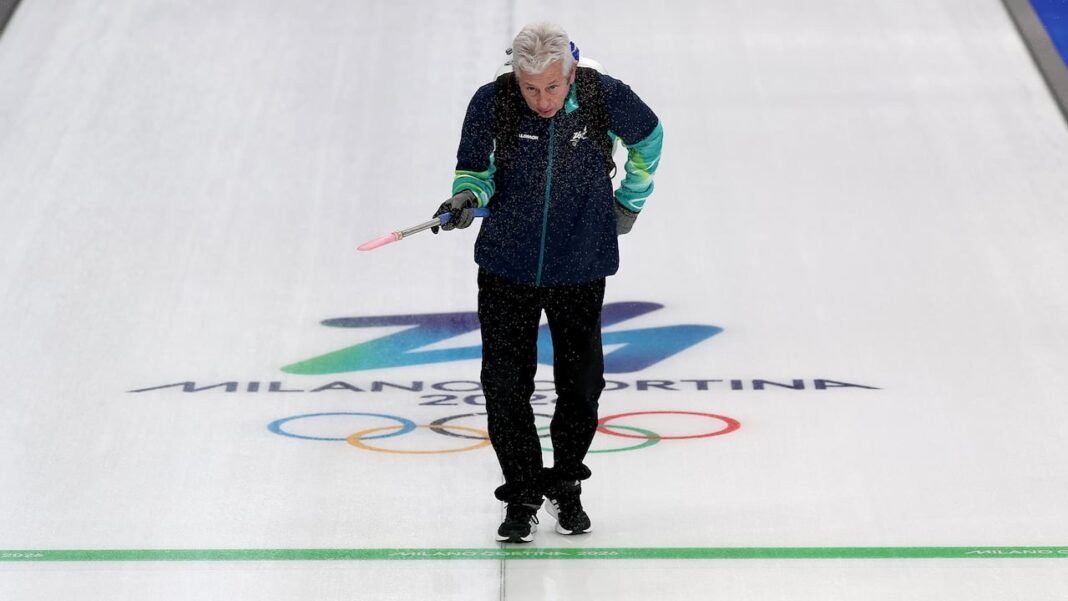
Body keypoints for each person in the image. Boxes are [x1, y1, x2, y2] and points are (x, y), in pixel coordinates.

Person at [432, 22, 663, 543]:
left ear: (571, 73)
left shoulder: (605, 96)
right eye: (531, 88)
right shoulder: (491, 101)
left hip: (580, 265)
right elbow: (473, 170)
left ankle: (567, 487)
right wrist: (466, 198)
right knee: (504, 387)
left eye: (553, 87)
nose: (542, 100)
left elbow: (650, 138)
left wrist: (630, 200)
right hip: (506, 269)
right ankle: (521, 495)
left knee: (581, 388)